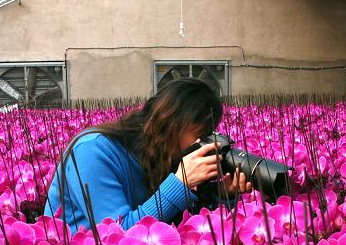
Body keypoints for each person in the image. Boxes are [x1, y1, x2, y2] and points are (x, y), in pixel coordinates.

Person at [44, 78, 252, 231]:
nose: (202, 144)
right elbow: (119, 235)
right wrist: (180, 183)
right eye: (201, 134)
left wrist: (219, 195)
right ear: (172, 123)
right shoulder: (91, 152)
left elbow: (175, 229)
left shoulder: (160, 155)